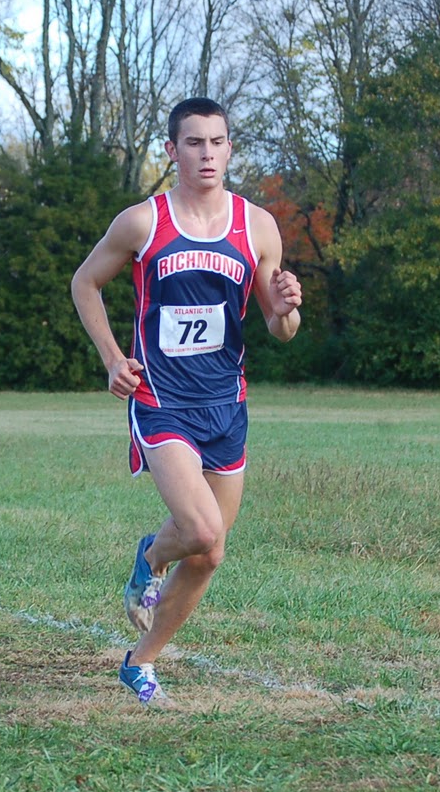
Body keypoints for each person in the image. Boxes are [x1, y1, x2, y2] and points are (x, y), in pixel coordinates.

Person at [71, 97, 303, 704]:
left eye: (217, 142)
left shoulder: (257, 226)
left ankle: (139, 663)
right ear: (172, 151)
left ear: (230, 149)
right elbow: (85, 282)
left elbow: (280, 329)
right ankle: (150, 555)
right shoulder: (143, 223)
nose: (207, 153)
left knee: (210, 552)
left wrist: (286, 309)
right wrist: (111, 358)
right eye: (194, 142)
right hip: (160, 400)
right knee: (199, 528)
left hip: (226, 405)